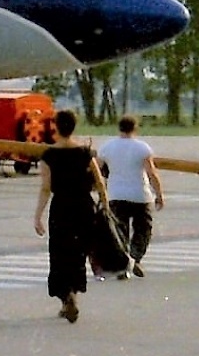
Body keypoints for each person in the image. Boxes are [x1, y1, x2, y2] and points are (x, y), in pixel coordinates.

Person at [34, 108, 98, 323]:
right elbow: (99, 180)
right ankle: (74, 294)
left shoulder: (49, 155)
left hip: (61, 206)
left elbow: (46, 187)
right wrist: (104, 203)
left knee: (60, 252)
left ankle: (65, 298)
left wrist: (37, 216)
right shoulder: (85, 152)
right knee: (78, 252)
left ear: (55, 127)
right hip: (83, 205)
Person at [96, 115, 165, 277]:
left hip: (116, 194)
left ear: (119, 128)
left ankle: (124, 262)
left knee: (120, 231)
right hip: (140, 194)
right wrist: (159, 194)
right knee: (143, 229)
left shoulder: (107, 147)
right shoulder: (142, 148)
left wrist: (100, 190)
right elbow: (151, 173)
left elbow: (98, 170)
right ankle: (135, 257)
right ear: (135, 128)